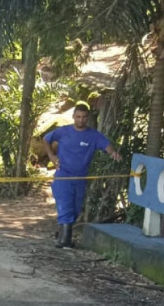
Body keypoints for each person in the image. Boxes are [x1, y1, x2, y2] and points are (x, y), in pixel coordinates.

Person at [42, 102, 122, 248]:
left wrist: (113, 153)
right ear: (73, 117)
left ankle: (63, 233)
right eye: (78, 117)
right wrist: (52, 157)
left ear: (88, 118)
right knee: (65, 205)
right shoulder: (63, 131)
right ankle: (65, 241)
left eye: (84, 117)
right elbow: (46, 139)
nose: (81, 120)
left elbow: (106, 145)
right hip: (63, 176)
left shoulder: (93, 135)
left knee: (76, 208)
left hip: (81, 178)